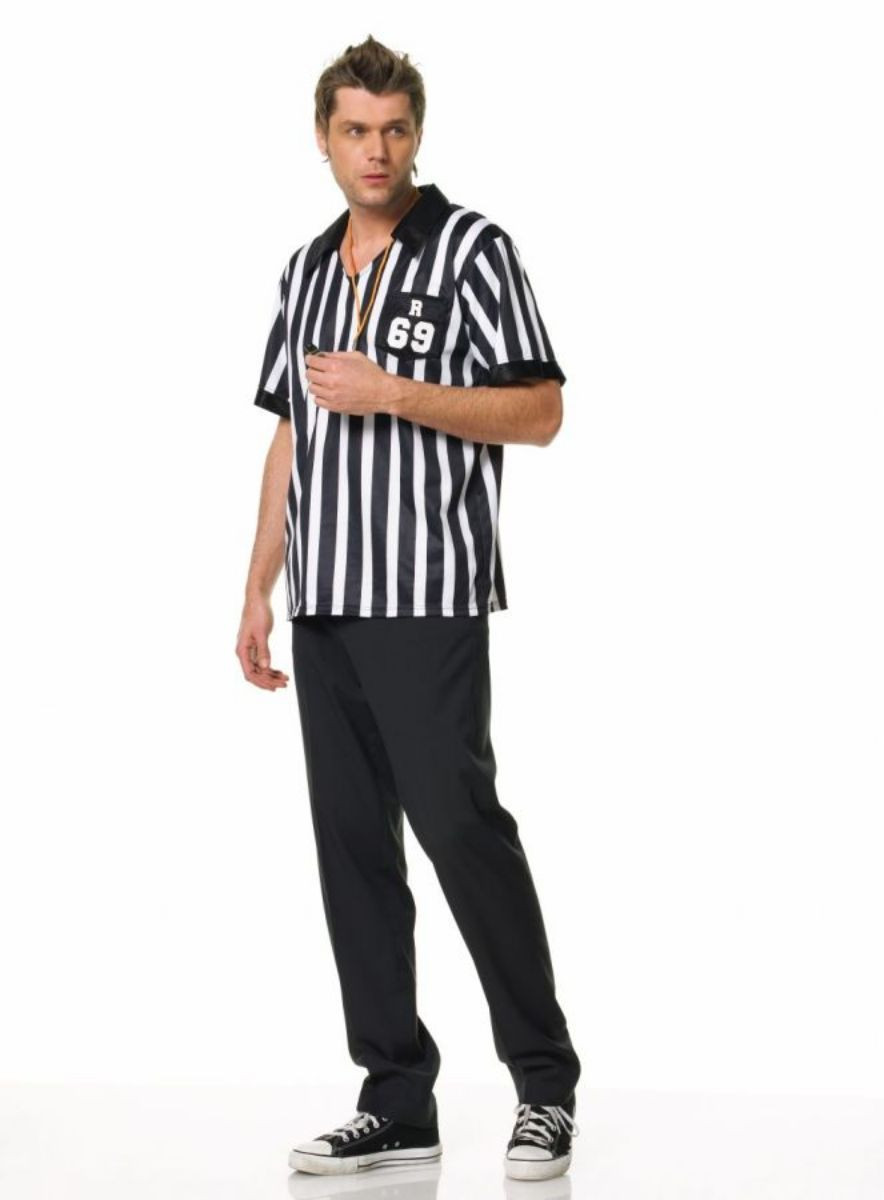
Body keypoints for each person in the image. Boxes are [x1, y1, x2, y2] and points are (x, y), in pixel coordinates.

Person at [235, 35, 582, 1183]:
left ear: (415, 135)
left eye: (391, 130)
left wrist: (395, 393)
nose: (373, 151)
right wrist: (256, 588)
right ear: (323, 139)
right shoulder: (303, 271)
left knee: (460, 830)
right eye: (353, 131)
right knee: (352, 855)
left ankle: (543, 1084)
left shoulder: (472, 250)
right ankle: (395, 1099)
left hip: (426, 598)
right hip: (323, 607)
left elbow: (538, 410)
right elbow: (290, 434)